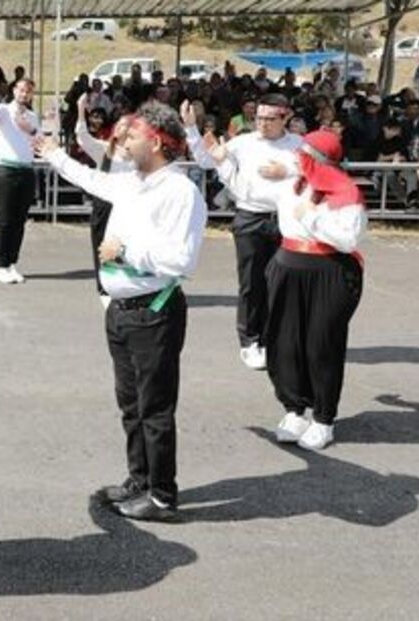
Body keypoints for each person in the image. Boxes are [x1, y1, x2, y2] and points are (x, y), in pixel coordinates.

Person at [35, 102, 207, 522]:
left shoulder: (180, 191)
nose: (123, 142)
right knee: (131, 404)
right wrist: (55, 154)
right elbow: (93, 179)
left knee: (155, 408)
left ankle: (163, 495)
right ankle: (140, 479)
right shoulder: (132, 182)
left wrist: (125, 252)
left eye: (132, 135)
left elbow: (181, 260)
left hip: (154, 311)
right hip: (122, 310)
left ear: (157, 140)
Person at [206, 130, 366, 450]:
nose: (296, 158)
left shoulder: (346, 193)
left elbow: (349, 239)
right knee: (284, 342)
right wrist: (224, 163)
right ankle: (294, 409)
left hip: (329, 270)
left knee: (321, 345)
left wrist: (312, 220)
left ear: (316, 159)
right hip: (288, 265)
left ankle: (323, 419)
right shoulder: (290, 184)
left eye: (302, 154)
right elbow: (245, 191)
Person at [182, 95, 302, 370]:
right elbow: (205, 160)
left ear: (286, 117)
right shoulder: (244, 143)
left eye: (270, 118)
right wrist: (191, 130)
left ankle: (278, 338)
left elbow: (322, 167)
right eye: (259, 117)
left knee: (283, 283)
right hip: (251, 217)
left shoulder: (298, 145)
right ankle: (251, 340)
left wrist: (287, 170)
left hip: (286, 219)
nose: (263, 123)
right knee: (252, 282)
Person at [75, 94, 135, 308]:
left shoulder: (140, 154)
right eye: (122, 126)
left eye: (130, 127)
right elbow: (82, 137)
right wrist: (81, 110)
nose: (125, 130)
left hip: (127, 207)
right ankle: (104, 288)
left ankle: (125, 286)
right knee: (102, 247)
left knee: (125, 248)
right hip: (104, 205)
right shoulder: (105, 149)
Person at [0, 74, 38, 284]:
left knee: (20, 220)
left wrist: (30, 129)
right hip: (5, 169)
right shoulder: (4, 110)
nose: (24, 94)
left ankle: (12, 262)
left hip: (26, 169)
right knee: (5, 219)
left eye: (28, 91)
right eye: (21, 90)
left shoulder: (32, 116)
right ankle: (0, 264)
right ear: (14, 90)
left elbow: (37, 138)